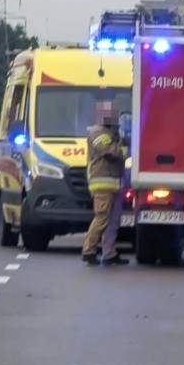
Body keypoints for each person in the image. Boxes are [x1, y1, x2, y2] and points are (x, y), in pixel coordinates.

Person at [81, 104, 128, 265]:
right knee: (101, 217)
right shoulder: (98, 132)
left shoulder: (109, 132)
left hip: (113, 182)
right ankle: (88, 250)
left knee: (112, 220)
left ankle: (109, 253)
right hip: (101, 183)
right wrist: (123, 147)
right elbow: (111, 151)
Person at [99, 111, 133, 260]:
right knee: (107, 219)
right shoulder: (104, 137)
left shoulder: (117, 138)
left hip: (118, 182)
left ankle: (108, 251)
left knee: (113, 220)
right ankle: (103, 251)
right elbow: (113, 154)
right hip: (110, 182)